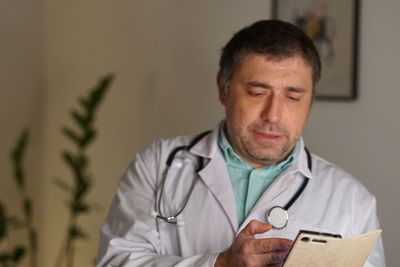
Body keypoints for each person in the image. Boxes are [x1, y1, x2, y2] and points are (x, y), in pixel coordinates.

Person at [96, 20, 385, 266]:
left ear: (310, 102)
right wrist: (216, 264)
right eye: (258, 92)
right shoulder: (157, 166)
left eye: (293, 97)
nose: (273, 115)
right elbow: (115, 261)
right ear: (223, 89)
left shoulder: (351, 201)